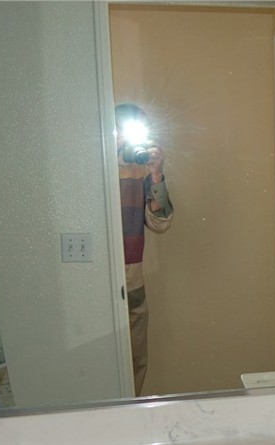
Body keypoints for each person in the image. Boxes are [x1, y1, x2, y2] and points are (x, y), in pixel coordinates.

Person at [115, 103, 174, 395]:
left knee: (135, 364)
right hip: (94, 285)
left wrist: (156, 175)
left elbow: (160, 223)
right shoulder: (88, 169)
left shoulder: (142, 170)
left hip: (133, 282)